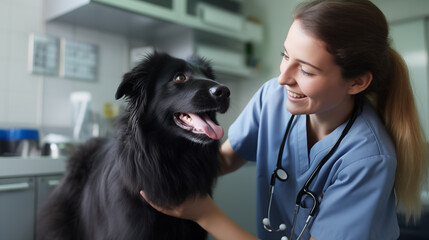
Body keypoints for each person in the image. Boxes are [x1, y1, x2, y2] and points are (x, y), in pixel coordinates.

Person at [141, 0, 429, 239]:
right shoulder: (274, 97)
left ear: (356, 83)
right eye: (285, 55)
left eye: (306, 70)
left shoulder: (368, 159)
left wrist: (204, 213)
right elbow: (225, 160)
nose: (283, 78)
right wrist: (150, 169)